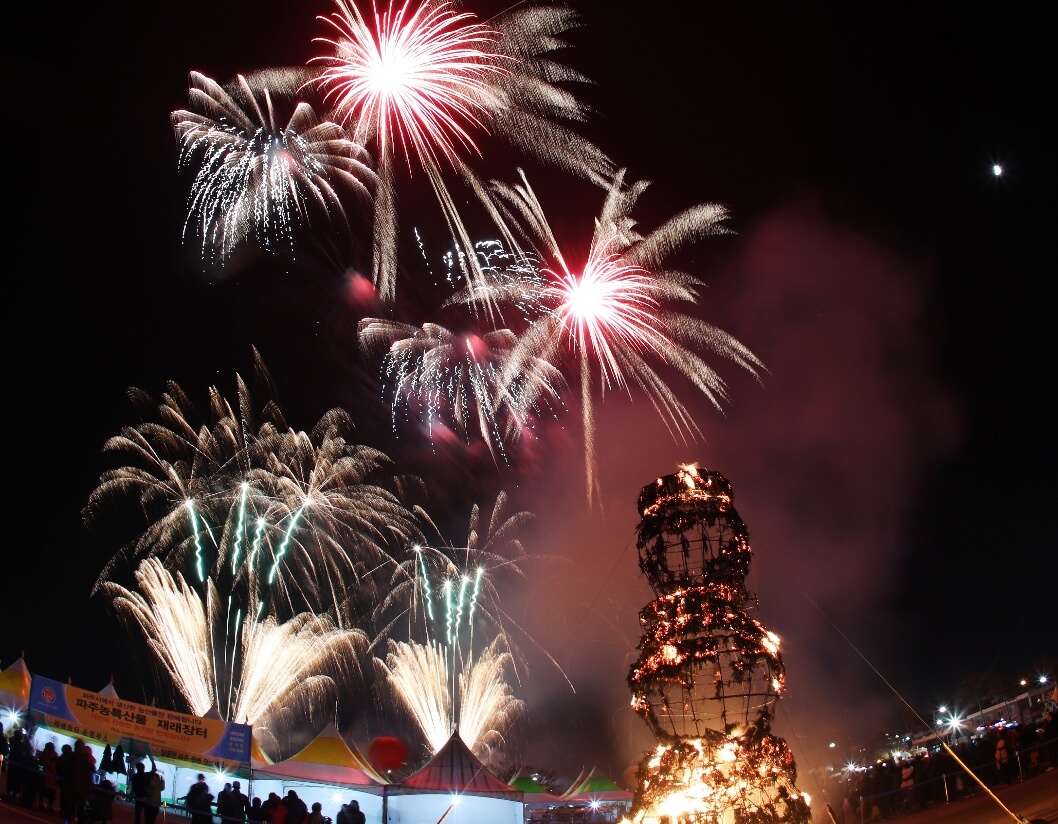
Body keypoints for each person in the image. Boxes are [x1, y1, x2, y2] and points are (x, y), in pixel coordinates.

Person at [142, 757, 165, 824]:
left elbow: (153, 770)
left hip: (148, 802)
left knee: (147, 819)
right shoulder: (159, 784)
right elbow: (163, 788)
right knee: (152, 820)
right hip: (156, 804)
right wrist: (162, 780)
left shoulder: (147, 780)